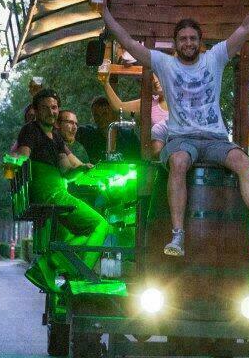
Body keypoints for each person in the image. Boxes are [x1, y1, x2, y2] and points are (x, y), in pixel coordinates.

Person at [97, 0, 249, 256]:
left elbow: (247, 27)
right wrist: (104, 13)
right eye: (183, 38)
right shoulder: (164, 64)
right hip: (181, 140)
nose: (188, 43)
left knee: (241, 158)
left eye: (192, 38)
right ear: (176, 43)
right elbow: (127, 42)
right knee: (177, 161)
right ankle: (177, 235)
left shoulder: (215, 58)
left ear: (200, 42)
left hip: (214, 139)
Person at [15, 89, 111, 292]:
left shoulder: (56, 138)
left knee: (88, 229)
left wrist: (82, 169)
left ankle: (54, 266)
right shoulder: (30, 131)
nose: (51, 112)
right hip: (49, 193)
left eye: (54, 107)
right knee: (101, 225)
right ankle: (64, 268)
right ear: (36, 110)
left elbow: (66, 171)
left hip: (59, 191)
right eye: (46, 108)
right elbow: (21, 160)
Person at [77, 96, 140, 164]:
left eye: (105, 114)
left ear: (115, 115)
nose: (100, 118)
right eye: (96, 115)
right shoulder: (88, 134)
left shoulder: (128, 137)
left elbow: (139, 160)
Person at [101, 72, 169, 125]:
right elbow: (119, 107)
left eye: (158, 74)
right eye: (152, 78)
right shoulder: (149, 103)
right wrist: (106, 83)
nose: (155, 80)